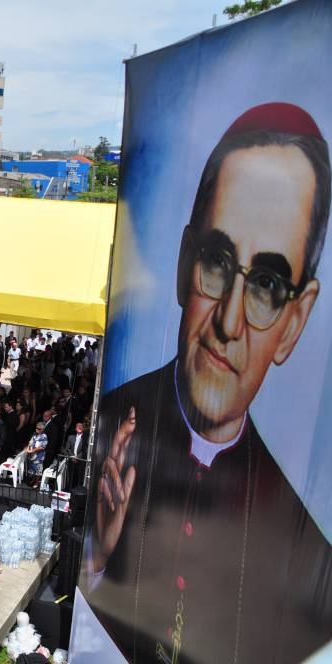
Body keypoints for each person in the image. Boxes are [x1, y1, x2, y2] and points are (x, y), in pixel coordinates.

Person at [83, 103, 332, 663]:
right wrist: (97, 555)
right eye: (217, 262)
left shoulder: (308, 553)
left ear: (294, 322)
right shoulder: (113, 420)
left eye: (267, 283)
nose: (228, 321)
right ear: (182, 265)